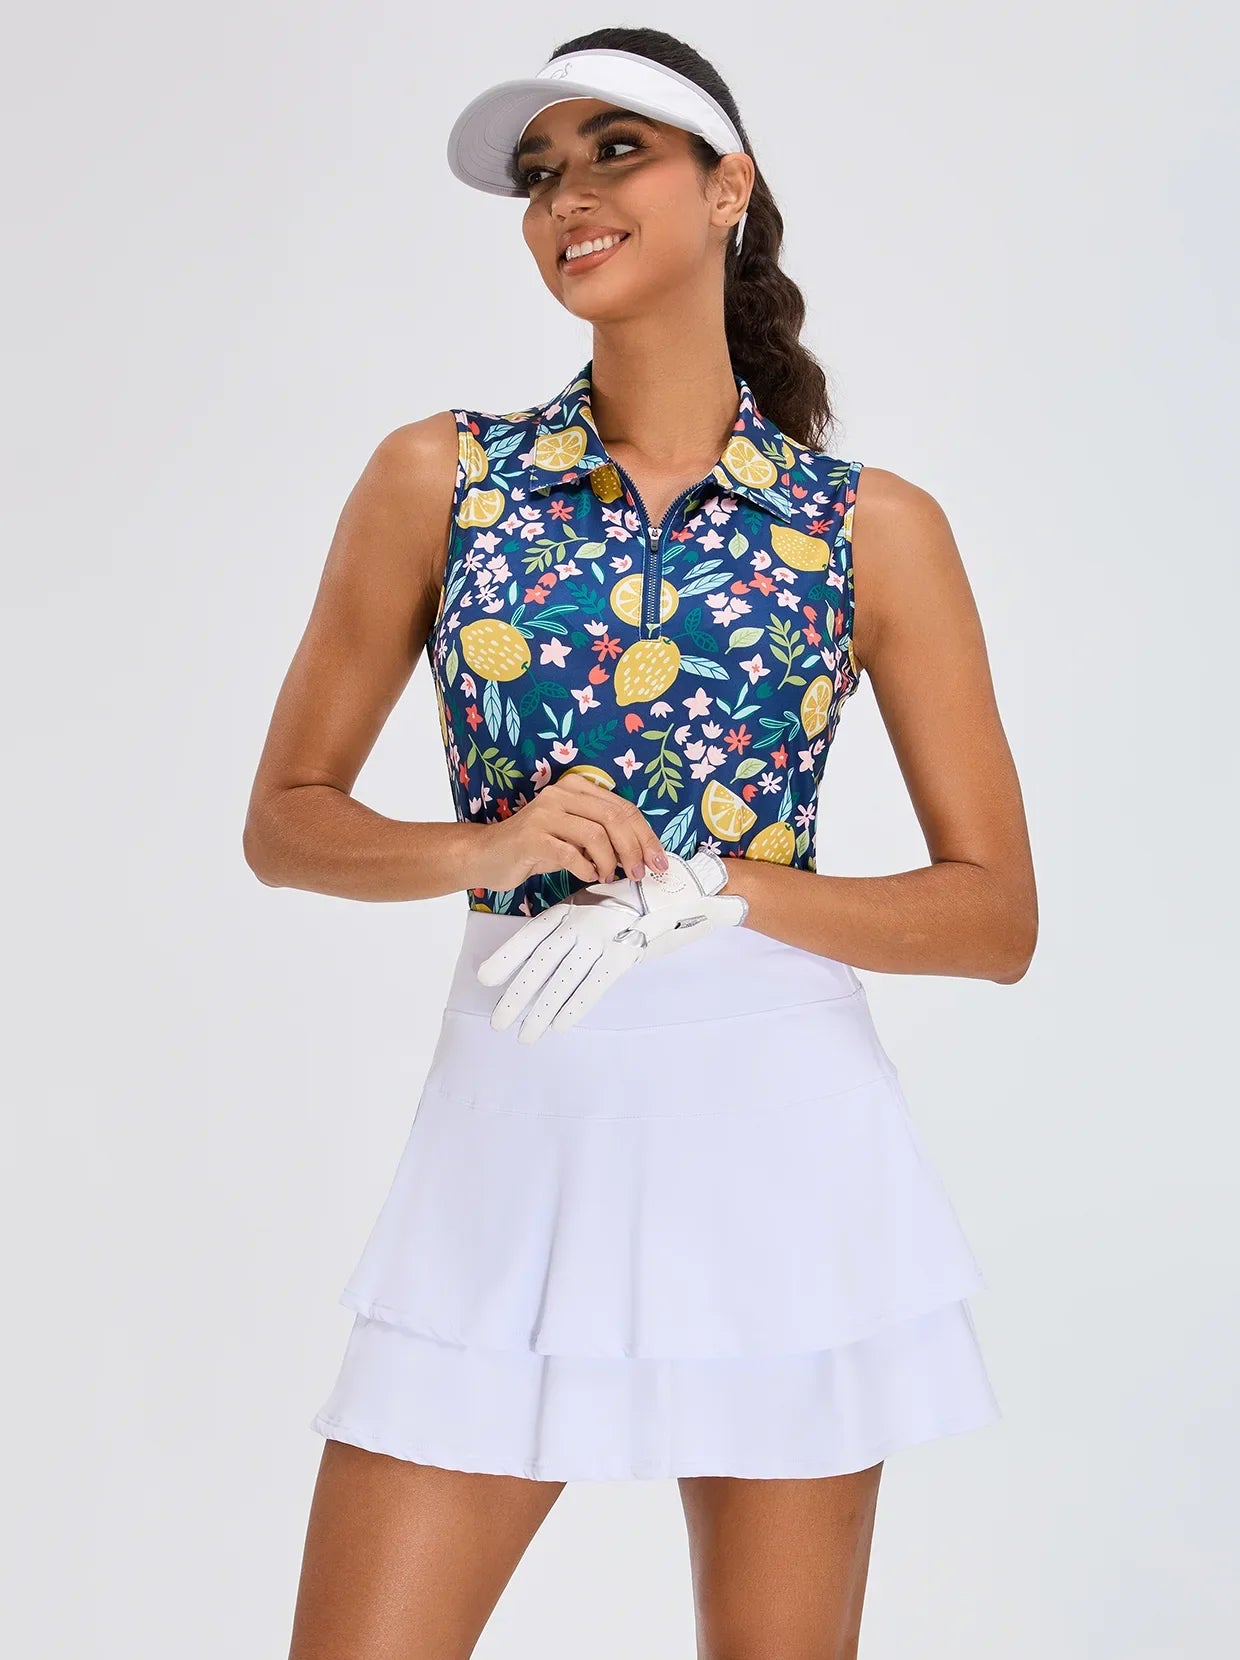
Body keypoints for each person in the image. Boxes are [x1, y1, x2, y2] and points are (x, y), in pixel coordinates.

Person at [243, 25, 1037, 1660]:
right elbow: (286, 823)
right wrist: (484, 848)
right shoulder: (443, 478)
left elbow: (994, 919)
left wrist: (726, 891)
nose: (567, 199)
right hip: (513, 1129)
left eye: (617, 151)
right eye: (540, 176)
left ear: (727, 186)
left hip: (784, 1145)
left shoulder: (867, 529)